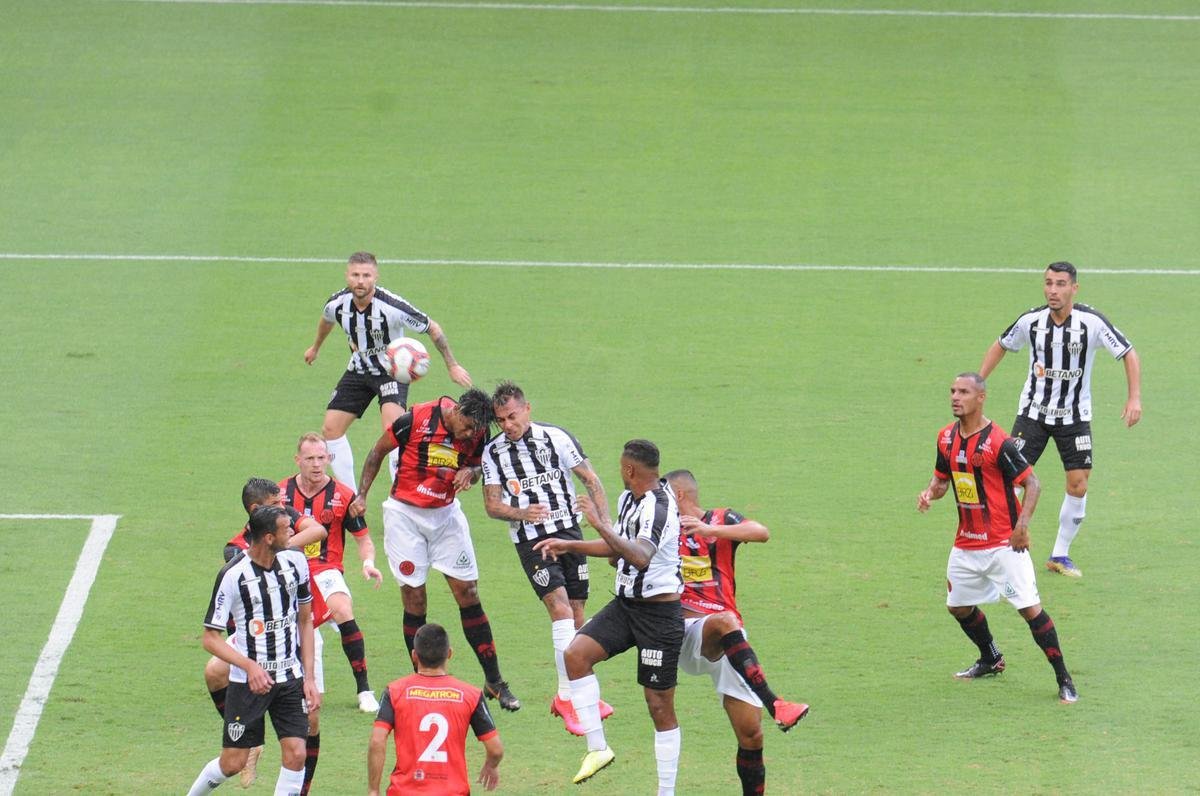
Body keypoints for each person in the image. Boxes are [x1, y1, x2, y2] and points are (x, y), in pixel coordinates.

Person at [349, 388, 521, 712]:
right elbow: (377, 452)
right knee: (415, 598)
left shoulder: (478, 431)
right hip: (404, 516)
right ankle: (422, 682)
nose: (470, 435)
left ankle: (495, 681)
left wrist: (473, 471)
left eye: (476, 431)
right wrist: (361, 495)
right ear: (456, 410)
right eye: (468, 427)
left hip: (446, 517)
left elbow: (484, 464)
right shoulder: (415, 419)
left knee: (468, 593)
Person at [917, 373, 1078, 704]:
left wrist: (1022, 526)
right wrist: (930, 493)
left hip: (1003, 544)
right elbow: (943, 481)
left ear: (981, 398)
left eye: (963, 392)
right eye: (952, 391)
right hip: (966, 542)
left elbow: (1032, 483)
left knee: (1030, 610)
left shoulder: (997, 442)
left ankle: (1064, 678)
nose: (955, 397)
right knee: (958, 606)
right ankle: (991, 657)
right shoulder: (945, 438)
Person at [534, 439, 683, 793]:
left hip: (659, 616)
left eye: (621, 466)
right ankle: (598, 748)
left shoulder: (658, 507)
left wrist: (600, 525)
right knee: (575, 654)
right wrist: (569, 545)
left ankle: (666, 791)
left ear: (630, 470)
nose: (619, 471)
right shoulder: (628, 499)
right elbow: (618, 551)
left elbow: (640, 556)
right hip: (627, 606)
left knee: (658, 705)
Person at [979, 261, 1142, 578]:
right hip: (1033, 414)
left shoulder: (1091, 323)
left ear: (1074, 288)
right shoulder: (1031, 321)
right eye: (1049, 283)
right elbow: (1001, 344)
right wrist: (979, 383)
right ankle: (1000, 545)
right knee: (1009, 478)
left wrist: (1134, 397)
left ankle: (1060, 555)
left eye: (1060, 284)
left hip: (1074, 417)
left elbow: (1128, 352)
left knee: (1078, 484)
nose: (1053, 290)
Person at [665, 469, 810, 796]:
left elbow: (760, 531)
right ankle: (776, 705)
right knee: (726, 620)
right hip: (689, 633)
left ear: (679, 496)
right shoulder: (662, 528)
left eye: (664, 496)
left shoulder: (721, 519)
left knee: (751, 735)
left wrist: (708, 530)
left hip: (731, 644)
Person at [481, 381, 614, 734]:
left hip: (570, 532)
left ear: (527, 409)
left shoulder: (556, 438)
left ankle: (583, 693)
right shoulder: (493, 453)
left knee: (579, 613)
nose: (507, 425)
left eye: (512, 416)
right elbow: (492, 505)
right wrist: (522, 514)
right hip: (532, 539)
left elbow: (591, 480)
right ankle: (565, 696)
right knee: (561, 611)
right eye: (501, 420)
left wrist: (606, 528)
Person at [303, 251, 473, 491]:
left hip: (392, 372)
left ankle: (402, 495)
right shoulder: (336, 304)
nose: (360, 281)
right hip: (359, 369)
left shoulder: (392, 307)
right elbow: (326, 320)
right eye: (355, 275)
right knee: (331, 429)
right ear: (347, 275)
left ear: (376, 277)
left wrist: (452, 365)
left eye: (366, 275)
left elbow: (432, 327)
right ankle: (351, 499)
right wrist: (315, 347)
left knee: (394, 433)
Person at [186, 506, 321, 796]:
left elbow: (305, 620)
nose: (294, 533)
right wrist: (249, 667)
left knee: (297, 753)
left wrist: (309, 678)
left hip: (289, 676)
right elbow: (211, 638)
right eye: (287, 529)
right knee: (233, 762)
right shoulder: (233, 575)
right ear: (269, 537)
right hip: (247, 683)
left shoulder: (296, 562)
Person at [281, 432, 383, 715]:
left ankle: (364, 689)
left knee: (342, 608)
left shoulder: (342, 495)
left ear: (329, 458)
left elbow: (363, 538)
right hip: (288, 569)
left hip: (326, 569)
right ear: (297, 460)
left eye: (321, 458)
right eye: (310, 458)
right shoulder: (280, 494)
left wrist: (368, 563)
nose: (316, 464)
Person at [368, 623, 503, 795]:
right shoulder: (470, 695)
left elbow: (377, 740)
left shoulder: (395, 691)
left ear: (414, 656)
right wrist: (490, 766)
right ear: (449, 654)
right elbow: (496, 749)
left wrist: (373, 790)